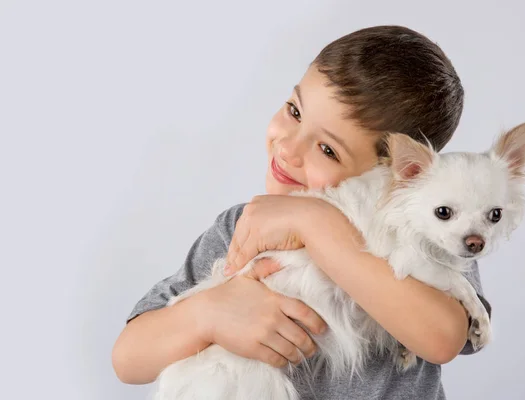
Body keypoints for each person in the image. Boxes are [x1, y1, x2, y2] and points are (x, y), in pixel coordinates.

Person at [112, 25, 490, 399]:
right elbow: (127, 360)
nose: (289, 149)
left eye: (328, 150)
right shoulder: (244, 228)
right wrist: (206, 315)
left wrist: (314, 224)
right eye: (295, 111)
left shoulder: (432, 227)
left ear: (396, 177)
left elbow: (442, 339)